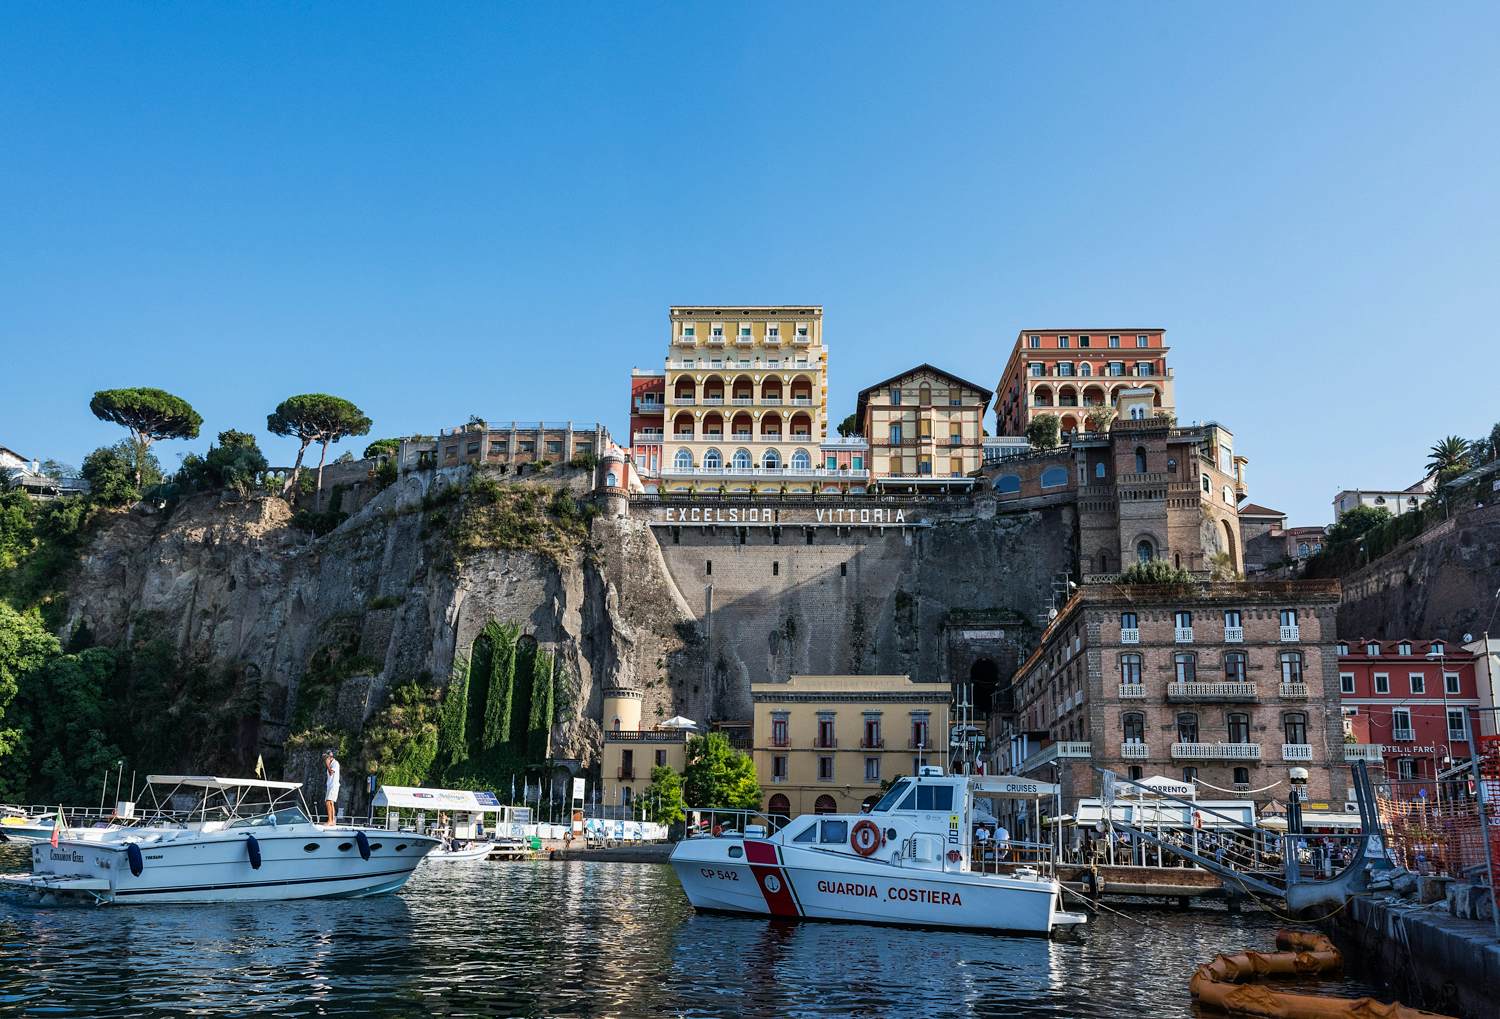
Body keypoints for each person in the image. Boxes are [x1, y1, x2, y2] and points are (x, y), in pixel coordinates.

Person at [322, 749, 340, 826]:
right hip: (331, 785)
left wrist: (327, 764)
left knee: (328, 801)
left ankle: (330, 821)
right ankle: (332, 821)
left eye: (326, 757)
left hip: (334, 785)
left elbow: (331, 772)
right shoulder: (332, 763)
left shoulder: (335, 763)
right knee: (331, 802)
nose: (325, 759)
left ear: (329, 757)